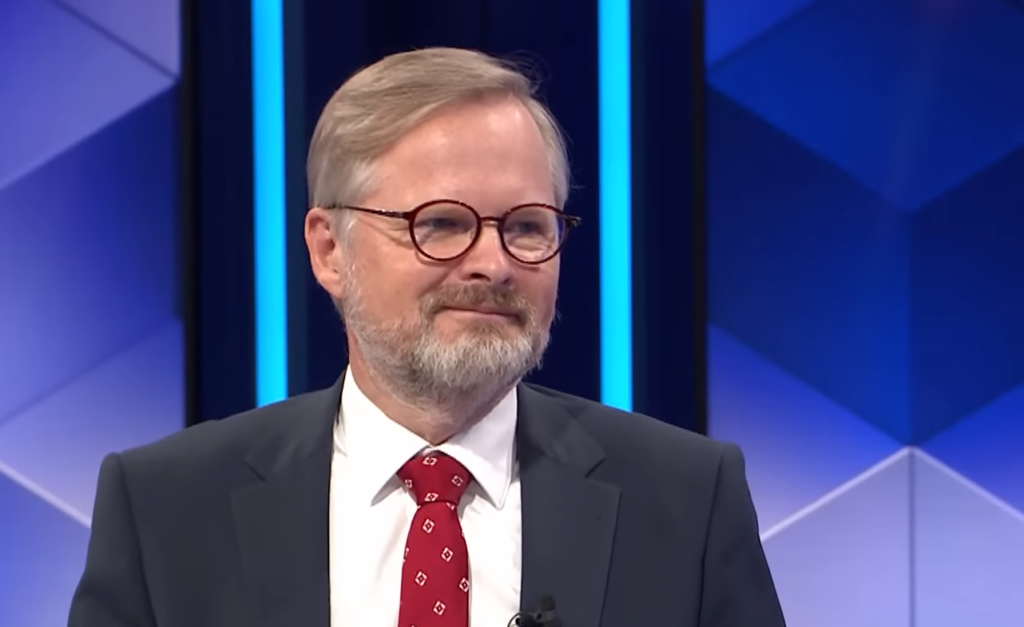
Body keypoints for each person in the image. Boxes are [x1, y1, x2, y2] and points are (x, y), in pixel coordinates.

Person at [68, 47, 785, 627]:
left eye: (526, 226)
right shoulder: (165, 507)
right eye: (440, 224)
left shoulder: (688, 500)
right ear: (329, 251)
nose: (493, 263)